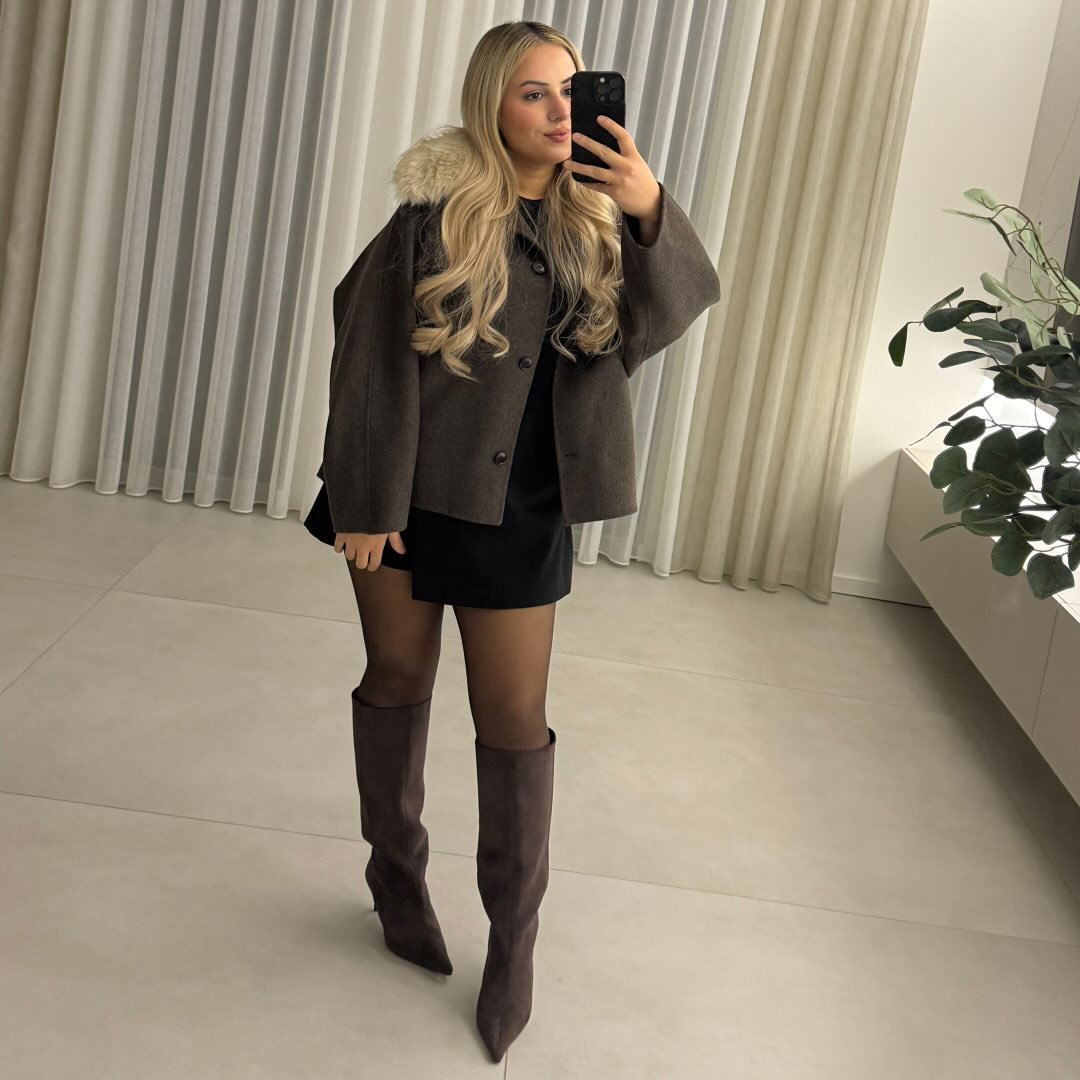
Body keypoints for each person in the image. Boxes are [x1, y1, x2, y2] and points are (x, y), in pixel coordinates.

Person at [303, 19, 722, 1064]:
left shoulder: (598, 221)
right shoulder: (432, 215)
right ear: (492, 103)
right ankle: (396, 878)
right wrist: (367, 502)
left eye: (570, 91)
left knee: (515, 722)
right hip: (405, 496)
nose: (559, 110)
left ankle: (512, 944)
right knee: (395, 682)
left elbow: (668, 315)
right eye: (535, 92)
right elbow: (368, 356)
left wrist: (648, 207)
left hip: (525, 504)